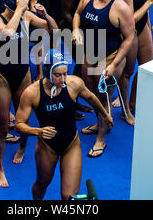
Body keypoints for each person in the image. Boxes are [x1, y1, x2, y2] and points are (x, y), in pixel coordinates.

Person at [0, 0, 57, 187]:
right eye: (21, 3)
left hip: (23, 74)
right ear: (13, 3)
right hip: (2, 77)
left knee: (23, 120)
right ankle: (0, 168)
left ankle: (22, 146)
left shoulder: (26, 16)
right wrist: (21, 9)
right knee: (1, 127)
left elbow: (51, 30)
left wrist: (44, 13)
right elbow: (8, 33)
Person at [15, 49, 113, 200]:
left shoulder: (74, 83)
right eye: (58, 75)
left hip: (71, 143)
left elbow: (91, 97)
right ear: (47, 72)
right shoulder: (32, 93)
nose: (63, 79)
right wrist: (38, 131)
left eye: (65, 73)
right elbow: (19, 124)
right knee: (42, 183)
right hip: (47, 146)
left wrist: (105, 115)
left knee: (69, 198)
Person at [73, 0, 135, 158]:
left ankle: (101, 138)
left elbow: (129, 38)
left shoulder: (120, 8)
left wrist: (114, 65)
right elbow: (77, 13)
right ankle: (102, 123)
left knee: (104, 98)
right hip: (89, 55)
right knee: (92, 95)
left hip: (109, 58)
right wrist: (75, 30)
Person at [60, 0, 97, 119]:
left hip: (84, 28)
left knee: (83, 66)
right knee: (80, 65)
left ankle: (74, 102)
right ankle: (69, 105)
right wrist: (78, 31)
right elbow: (66, 12)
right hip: (70, 29)